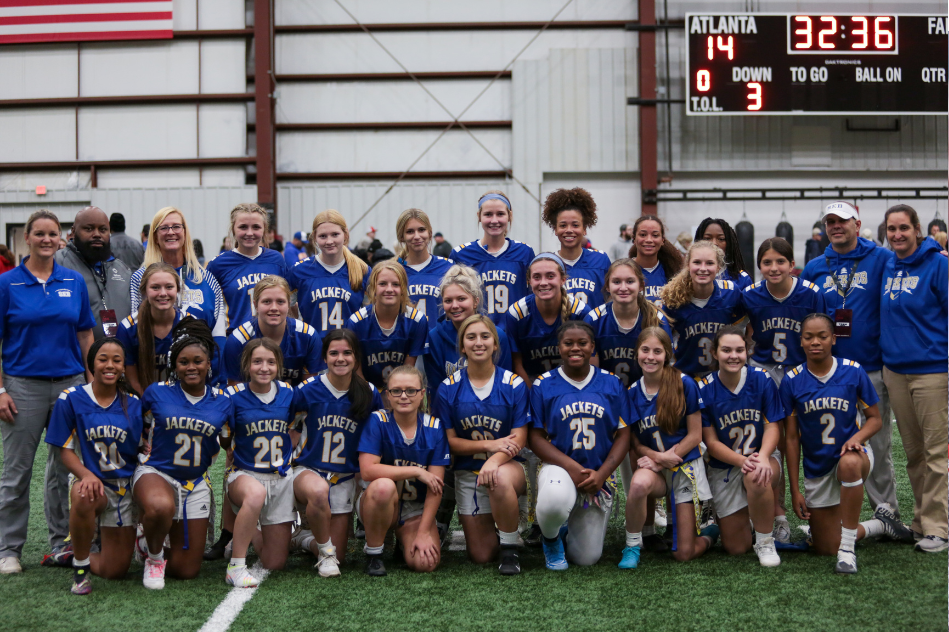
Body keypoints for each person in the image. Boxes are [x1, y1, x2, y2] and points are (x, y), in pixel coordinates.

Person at [0, 210, 95, 574]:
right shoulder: (8, 284)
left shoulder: (73, 280)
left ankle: (61, 544)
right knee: (17, 471)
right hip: (22, 388)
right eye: (39, 233)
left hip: (69, 385)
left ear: (61, 238)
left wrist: (89, 383)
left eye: (52, 234)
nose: (46, 239)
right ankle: (9, 549)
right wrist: (1, 390)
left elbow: (85, 334)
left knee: (62, 470)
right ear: (27, 237)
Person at [781, 313, 908, 573]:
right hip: (817, 465)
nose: (815, 342)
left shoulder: (852, 370)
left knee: (849, 463)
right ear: (801, 341)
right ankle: (880, 524)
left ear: (833, 339)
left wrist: (856, 438)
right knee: (825, 547)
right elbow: (792, 439)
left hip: (854, 456)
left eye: (822, 336)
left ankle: (848, 550)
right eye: (809, 337)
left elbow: (874, 420)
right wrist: (795, 489)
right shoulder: (792, 380)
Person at [801, 200, 902, 522]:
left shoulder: (882, 258)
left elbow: (911, 265)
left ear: (857, 225)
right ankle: (837, 514)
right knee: (831, 445)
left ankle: (885, 512)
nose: (836, 226)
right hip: (828, 375)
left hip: (870, 367)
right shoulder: (816, 266)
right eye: (830, 221)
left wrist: (938, 254)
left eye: (842, 221)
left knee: (879, 443)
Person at [132, 318, 231, 589]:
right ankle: (153, 556)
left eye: (198, 361)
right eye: (183, 362)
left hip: (195, 482)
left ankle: (150, 541)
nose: (191, 367)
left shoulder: (223, 401)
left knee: (186, 571)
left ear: (209, 363)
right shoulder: (156, 393)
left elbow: (228, 442)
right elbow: (135, 429)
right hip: (157, 471)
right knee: (161, 505)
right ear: (174, 366)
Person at [529, 321, 631, 570]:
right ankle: (551, 539)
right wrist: (572, 468)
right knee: (553, 500)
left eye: (582, 343)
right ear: (559, 347)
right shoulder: (544, 384)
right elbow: (535, 438)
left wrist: (603, 474)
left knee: (586, 559)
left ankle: (565, 525)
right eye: (568, 343)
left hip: (597, 476)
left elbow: (624, 435)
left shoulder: (612, 383)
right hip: (560, 468)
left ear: (593, 347)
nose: (576, 348)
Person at [432, 315, 528, 574]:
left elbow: (520, 437)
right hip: (467, 473)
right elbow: (450, 443)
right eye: (471, 337)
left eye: (485, 337)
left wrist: (495, 459)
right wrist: (492, 445)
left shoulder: (513, 384)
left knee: (497, 476)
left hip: (507, 467)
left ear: (496, 345)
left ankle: (509, 549)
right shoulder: (448, 387)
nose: (478, 343)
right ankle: (501, 522)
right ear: (462, 346)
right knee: (481, 555)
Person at [45, 337, 142, 594]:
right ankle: (80, 568)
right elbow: (63, 448)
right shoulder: (72, 398)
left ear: (123, 367)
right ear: (92, 363)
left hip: (123, 488)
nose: (109, 365)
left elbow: (141, 447)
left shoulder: (133, 403)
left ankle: (71, 556)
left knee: (115, 571)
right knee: (84, 494)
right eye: (103, 359)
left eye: (116, 360)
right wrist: (85, 475)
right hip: (92, 480)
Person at [880, 204, 949, 552]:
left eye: (904, 228)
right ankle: (922, 521)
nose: (897, 235)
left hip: (932, 371)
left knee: (936, 452)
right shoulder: (888, 264)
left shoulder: (939, 264)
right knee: (914, 453)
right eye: (891, 229)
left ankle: (939, 528)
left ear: (918, 229)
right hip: (895, 371)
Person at [291, 329, 384, 576]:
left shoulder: (370, 392)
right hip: (310, 469)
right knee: (319, 491)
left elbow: (377, 437)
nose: (340, 358)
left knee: (338, 554)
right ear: (324, 357)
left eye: (347, 353)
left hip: (345, 477)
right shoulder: (307, 389)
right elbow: (291, 430)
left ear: (356, 358)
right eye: (334, 353)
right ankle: (318, 540)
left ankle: (303, 539)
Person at [623, 327, 718, 568]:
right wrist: (656, 458)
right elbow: (634, 441)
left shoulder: (684, 383)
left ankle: (711, 534)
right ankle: (632, 546)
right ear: (637, 353)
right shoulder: (632, 392)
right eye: (645, 350)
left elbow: (696, 435)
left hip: (684, 465)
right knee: (637, 484)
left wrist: (666, 458)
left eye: (657, 351)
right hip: (657, 466)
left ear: (668, 354)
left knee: (683, 554)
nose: (650, 357)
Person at [698, 326, 784, 566]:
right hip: (725, 466)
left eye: (739, 350)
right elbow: (711, 443)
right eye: (726, 350)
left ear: (747, 352)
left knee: (756, 474)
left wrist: (764, 456)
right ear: (715, 353)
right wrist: (741, 461)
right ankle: (744, 519)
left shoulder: (761, 379)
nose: (733, 355)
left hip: (760, 459)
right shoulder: (704, 388)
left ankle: (766, 541)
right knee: (736, 548)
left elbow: (772, 427)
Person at [357, 366, 450, 575]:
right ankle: (374, 553)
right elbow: (368, 471)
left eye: (411, 390)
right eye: (396, 391)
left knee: (425, 563)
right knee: (383, 486)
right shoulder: (377, 421)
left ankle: (403, 541)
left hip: (414, 510)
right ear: (387, 395)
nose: (404, 396)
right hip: (379, 503)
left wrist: (424, 531)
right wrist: (416, 472)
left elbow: (436, 487)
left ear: (422, 394)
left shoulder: (434, 428)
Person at [220, 339, 297, 587]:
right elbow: (223, 436)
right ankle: (236, 566)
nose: (264, 367)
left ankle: (249, 527)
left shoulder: (289, 392)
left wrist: (288, 452)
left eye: (271, 362)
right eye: (257, 362)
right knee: (255, 494)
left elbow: (295, 428)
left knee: (275, 563)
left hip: (279, 477)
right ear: (247, 365)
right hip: (245, 474)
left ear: (279, 365)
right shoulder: (233, 395)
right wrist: (230, 448)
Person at [130, 207, 227, 385]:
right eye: (164, 228)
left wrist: (214, 377)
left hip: (202, 380)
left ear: (185, 232)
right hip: (157, 382)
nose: (171, 232)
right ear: (155, 236)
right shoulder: (140, 278)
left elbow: (219, 333)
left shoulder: (206, 278)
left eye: (176, 226)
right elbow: (135, 330)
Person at [742, 238, 826, 386]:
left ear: (791, 265)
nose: (774, 268)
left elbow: (822, 337)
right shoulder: (750, 295)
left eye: (780, 261)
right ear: (759, 266)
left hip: (801, 367)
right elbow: (737, 332)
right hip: (762, 367)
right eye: (767, 262)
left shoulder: (811, 293)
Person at [423, 264, 513, 400]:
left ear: (475, 301)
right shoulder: (435, 338)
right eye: (448, 300)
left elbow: (506, 384)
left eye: (461, 299)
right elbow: (437, 390)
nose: (454, 306)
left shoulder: (497, 335)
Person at [660, 241, 744, 379]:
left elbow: (745, 329)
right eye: (697, 262)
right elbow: (664, 341)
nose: (703, 268)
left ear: (718, 267)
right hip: (685, 377)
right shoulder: (673, 300)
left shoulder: (731, 293)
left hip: (722, 377)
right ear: (688, 265)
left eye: (710, 263)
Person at [451, 190, 535, 325]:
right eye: (488, 214)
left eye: (500, 214)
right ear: (479, 216)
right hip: (476, 334)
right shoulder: (461, 254)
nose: (494, 220)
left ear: (509, 216)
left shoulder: (524, 252)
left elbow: (532, 297)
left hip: (515, 334)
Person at [506, 253, 592, 384]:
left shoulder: (580, 312)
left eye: (550, 276)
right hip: (531, 385)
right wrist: (532, 395)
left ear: (563, 279)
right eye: (536, 277)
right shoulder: (517, 313)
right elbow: (517, 364)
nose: (543, 283)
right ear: (529, 281)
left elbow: (589, 361)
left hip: (572, 384)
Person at [586, 259, 671, 388]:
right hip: (606, 394)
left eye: (630, 281)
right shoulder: (594, 320)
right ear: (607, 286)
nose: (623, 288)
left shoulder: (656, 319)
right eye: (616, 282)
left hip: (645, 395)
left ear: (641, 285)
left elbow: (666, 366)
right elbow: (589, 373)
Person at [224, 276, 323, 387]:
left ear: (289, 304)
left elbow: (310, 389)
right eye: (267, 302)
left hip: (297, 402)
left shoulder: (307, 336)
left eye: (280, 302)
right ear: (256, 305)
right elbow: (235, 392)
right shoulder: (239, 340)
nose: (274, 308)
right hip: (251, 403)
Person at [206, 203, 289, 335]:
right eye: (243, 227)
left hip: (272, 340)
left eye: (256, 227)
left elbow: (286, 300)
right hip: (235, 341)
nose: (249, 233)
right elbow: (209, 308)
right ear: (233, 229)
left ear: (264, 230)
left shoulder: (276, 259)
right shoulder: (218, 264)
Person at [345, 260, 427, 391]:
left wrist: (395, 395)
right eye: (382, 284)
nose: (389, 289)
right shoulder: (356, 322)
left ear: (403, 289)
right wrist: (370, 397)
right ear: (373, 288)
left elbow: (408, 369)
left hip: (400, 391)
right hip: (365, 390)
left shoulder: (417, 320)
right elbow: (356, 371)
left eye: (395, 284)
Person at [55, 206, 133, 341]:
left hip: (117, 357)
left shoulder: (122, 270)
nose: (97, 234)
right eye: (89, 229)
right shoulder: (57, 264)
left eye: (103, 230)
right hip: (74, 356)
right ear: (73, 231)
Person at [288, 210, 370, 334]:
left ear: (345, 235)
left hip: (349, 349)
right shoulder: (299, 271)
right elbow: (283, 305)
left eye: (335, 234)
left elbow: (371, 312)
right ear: (315, 237)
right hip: (313, 350)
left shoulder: (362, 270)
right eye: (323, 236)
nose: (329, 241)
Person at [117, 263, 188, 395]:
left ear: (177, 289)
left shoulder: (190, 325)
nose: (163, 293)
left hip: (182, 402)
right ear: (144, 291)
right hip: (143, 402)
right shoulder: (128, 328)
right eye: (155, 287)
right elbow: (132, 381)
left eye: (169, 287)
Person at [541, 188, 611, 308]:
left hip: (593, 326)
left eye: (575, 225)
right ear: (555, 229)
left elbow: (611, 298)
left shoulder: (600, 260)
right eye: (563, 225)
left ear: (584, 229)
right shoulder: (547, 263)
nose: (569, 230)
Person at [396, 209, 454, 330]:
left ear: (430, 233)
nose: (417, 236)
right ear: (402, 237)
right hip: (407, 345)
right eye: (410, 231)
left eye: (421, 230)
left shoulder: (448, 268)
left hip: (439, 344)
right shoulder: (394, 271)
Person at [627, 215, 683, 304]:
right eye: (643, 235)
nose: (649, 240)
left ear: (662, 240)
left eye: (655, 235)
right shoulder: (624, 270)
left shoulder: (673, 272)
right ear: (634, 239)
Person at [694, 218, 753, 291]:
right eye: (707, 238)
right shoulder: (688, 278)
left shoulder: (742, 279)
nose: (714, 243)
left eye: (721, 239)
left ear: (729, 243)